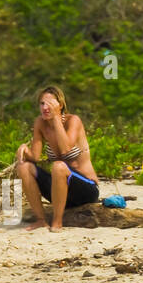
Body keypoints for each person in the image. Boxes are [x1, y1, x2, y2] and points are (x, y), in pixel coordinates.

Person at [14, 85, 100, 232]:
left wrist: (56, 120)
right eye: (42, 103)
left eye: (50, 103)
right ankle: (41, 220)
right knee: (23, 167)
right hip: (61, 192)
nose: (45, 107)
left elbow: (66, 149)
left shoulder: (73, 121)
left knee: (59, 166)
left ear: (60, 105)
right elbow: (34, 157)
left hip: (86, 189)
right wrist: (23, 150)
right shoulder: (40, 123)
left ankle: (57, 221)